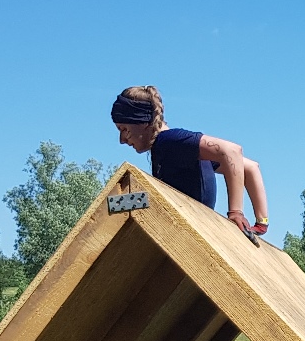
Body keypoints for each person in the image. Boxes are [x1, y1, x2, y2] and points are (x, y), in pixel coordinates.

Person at [109, 85, 269, 236]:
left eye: (124, 129)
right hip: (190, 225)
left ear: (142, 122)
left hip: (190, 232)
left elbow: (232, 151)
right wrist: (262, 223)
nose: (122, 139)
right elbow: (250, 168)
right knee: (112, 204)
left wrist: (236, 212)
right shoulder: (170, 149)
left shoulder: (169, 141)